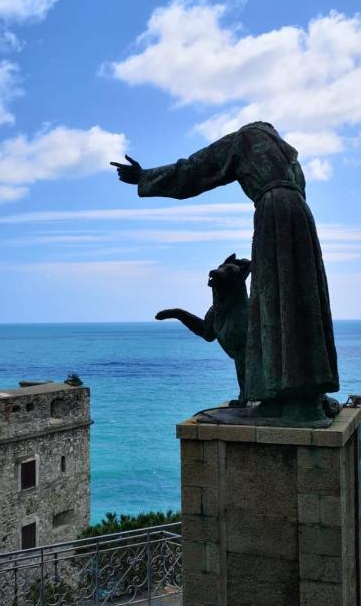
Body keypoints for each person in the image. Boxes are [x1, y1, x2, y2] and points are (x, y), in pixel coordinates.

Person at [111, 121, 339, 426]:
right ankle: (300, 393)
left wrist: (145, 176)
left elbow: (197, 169)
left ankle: (288, 397)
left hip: (274, 215)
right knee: (297, 300)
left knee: (274, 303)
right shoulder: (290, 159)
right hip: (300, 220)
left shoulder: (247, 138)